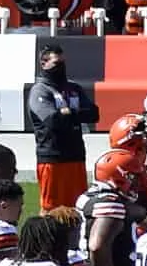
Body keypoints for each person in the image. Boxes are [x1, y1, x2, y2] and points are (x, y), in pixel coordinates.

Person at [27, 45, 97, 214]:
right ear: (44, 64)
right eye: (57, 63)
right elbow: (52, 120)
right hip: (52, 158)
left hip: (76, 155)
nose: (62, 68)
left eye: (63, 63)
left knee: (79, 207)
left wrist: (68, 113)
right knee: (51, 210)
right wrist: (75, 114)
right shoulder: (39, 91)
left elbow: (94, 114)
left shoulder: (74, 88)